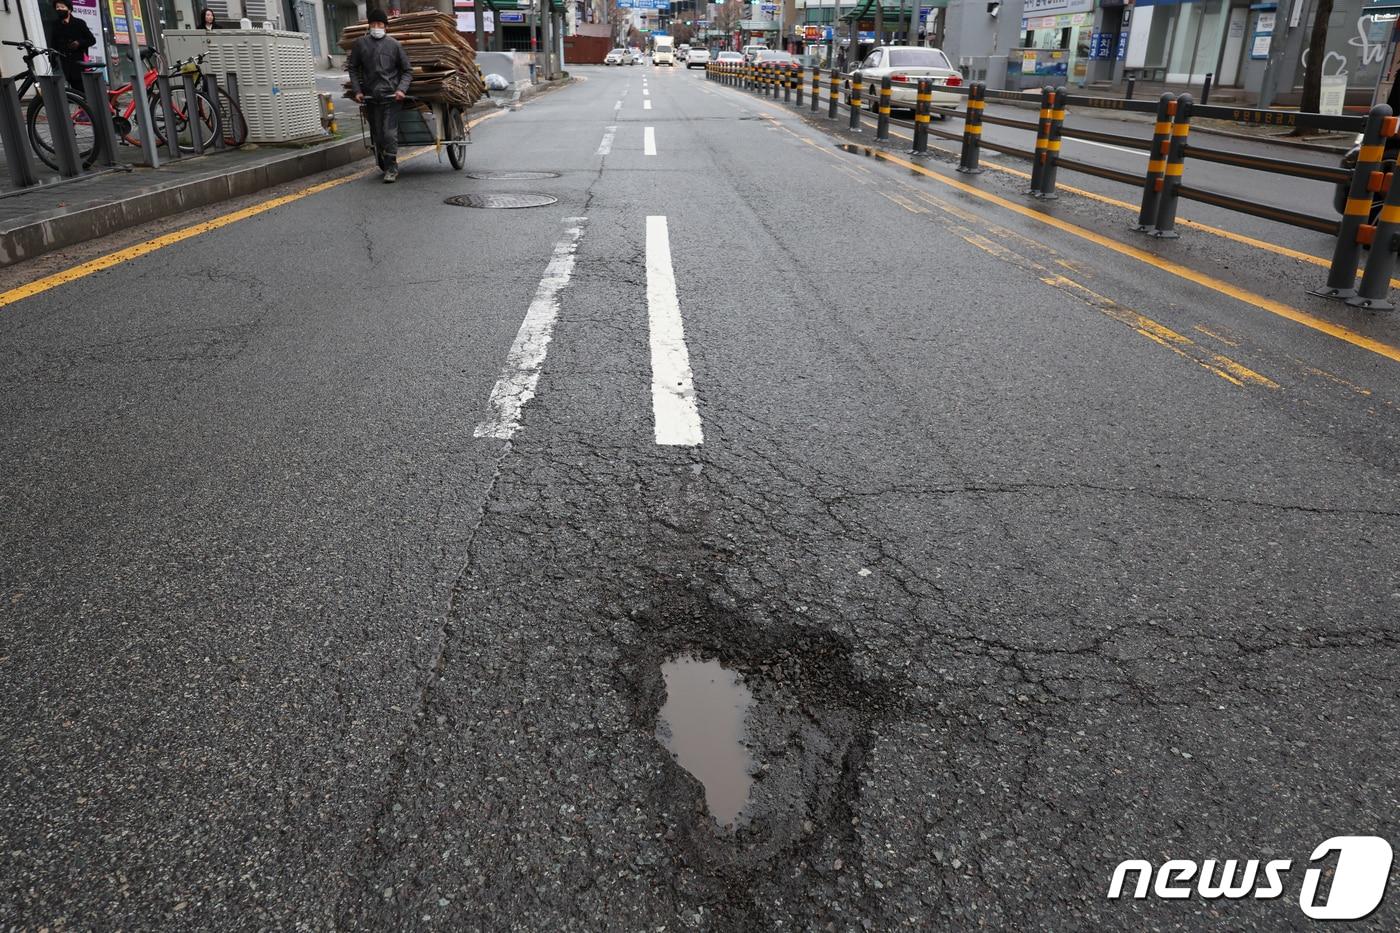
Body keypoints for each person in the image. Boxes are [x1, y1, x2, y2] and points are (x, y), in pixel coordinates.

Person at [347, 9, 412, 183]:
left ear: (386, 27)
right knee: (378, 134)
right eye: (374, 24)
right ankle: (385, 160)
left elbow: (407, 70)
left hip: (391, 97)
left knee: (389, 133)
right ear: (369, 26)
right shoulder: (360, 44)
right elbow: (352, 68)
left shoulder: (394, 45)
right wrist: (357, 90)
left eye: (380, 24)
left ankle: (392, 168)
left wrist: (401, 90)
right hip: (371, 97)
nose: (377, 27)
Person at [48, 0, 96, 90]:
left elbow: (92, 40)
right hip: (64, 64)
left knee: (84, 89)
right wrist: (52, 58)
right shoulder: (55, 24)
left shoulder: (79, 23)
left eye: (62, 7)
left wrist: (79, 43)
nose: (59, 9)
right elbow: (53, 44)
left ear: (69, 10)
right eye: (57, 7)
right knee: (71, 90)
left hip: (79, 63)